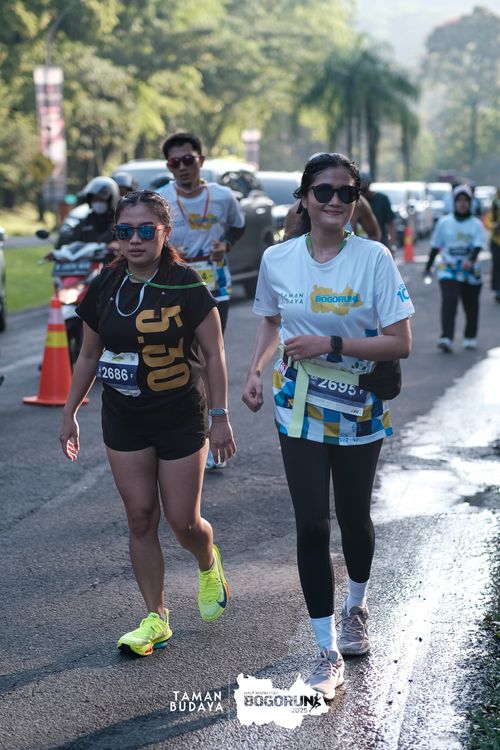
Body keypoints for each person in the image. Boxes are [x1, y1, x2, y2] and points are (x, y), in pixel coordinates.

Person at [242, 152, 413, 701]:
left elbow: (400, 342)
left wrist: (332, 343)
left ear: (356, 199)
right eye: (324, 191)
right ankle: (325, 650)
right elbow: (272, 321)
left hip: (359, 404)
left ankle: (356, 607)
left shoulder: (374, 258)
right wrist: (254, 370)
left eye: (346, 192)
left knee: (354, 519)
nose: (335, 201)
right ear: (304, 198)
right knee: (312, 524)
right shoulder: (277, 259)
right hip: (298, 403)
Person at [59, 190, 236, 656]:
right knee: (140, 516)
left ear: (165, 233)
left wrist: (220, 416)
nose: (134, 240)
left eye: (145, 230)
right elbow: (89, 355)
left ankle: (207, 560)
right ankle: (156, 617)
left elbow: (215, 353)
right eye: (125, 231)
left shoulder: (186, 284)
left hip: (180, 416)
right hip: (124, 417)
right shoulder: (105, 285)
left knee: (183, 521)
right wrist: (70, 411)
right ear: (116, 235)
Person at [158, 132, 245, 469]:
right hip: (176, 285)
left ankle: (213, 433)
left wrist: (225, 244)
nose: (182, 167)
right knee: (184, 358)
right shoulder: (162, 199)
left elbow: (237, 227)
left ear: (201, 161)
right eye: (174, 162)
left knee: (209, 357)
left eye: (188, 160)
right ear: (169, 166)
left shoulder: (222, 196)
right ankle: (187, 433)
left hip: (215, 286)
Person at [425, 184, 485, 352]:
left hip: (471, 271)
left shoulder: (476, 224)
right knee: (449, 301)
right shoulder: (444, 223)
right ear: (454, 202)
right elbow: (435, 246)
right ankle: (446, 337)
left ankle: (470, 336)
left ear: (470, 203)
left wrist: (470, 260)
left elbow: (478, 246)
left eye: (466, 200)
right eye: (459, 200)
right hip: (448, 270)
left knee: (471, 305)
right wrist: (428, 266)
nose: (462, 203)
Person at [56, 176, 119, 248]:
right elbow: (71, 241)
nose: (97, 203)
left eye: (101, 200)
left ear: (110, 200)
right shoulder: (86, 222)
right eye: (94, 200)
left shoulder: (118, 222)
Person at [359, 172, 396, 255]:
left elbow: (391, 224)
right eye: (359, 190)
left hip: (381, 242)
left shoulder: (382, 199)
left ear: (369, 185)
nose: (362, 193)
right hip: (361, 245)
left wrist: (392, 245)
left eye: (364, 189)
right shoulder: (355, 201)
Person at [483, 188, 500, 302]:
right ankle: (498, 291)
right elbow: (487, 222)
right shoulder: (495, 204)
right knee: (497, 266)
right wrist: (494, 226)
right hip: (496, 241)